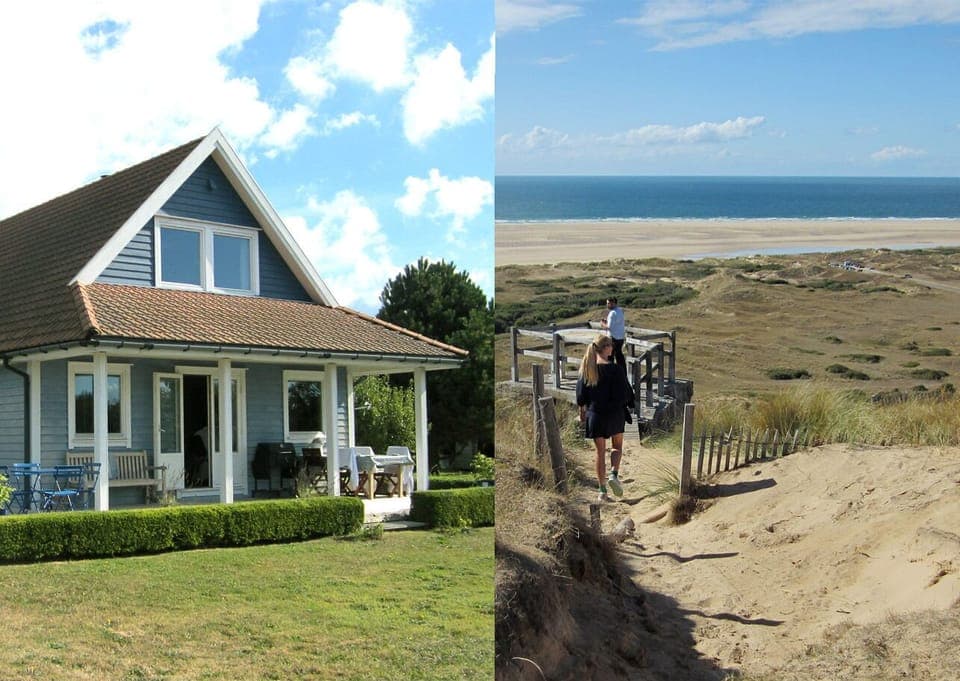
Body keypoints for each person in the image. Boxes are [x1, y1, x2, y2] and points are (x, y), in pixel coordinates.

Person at [576, 333, 634, 502]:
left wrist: (582, 411)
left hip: (596, 415)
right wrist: (628, 403)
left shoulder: (587, 369)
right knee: (617, 447)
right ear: (606, 348)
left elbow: (580, 396)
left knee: (599, 453)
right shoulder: (615, 369)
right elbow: (626, 393)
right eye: (610, 345)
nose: (613, 348)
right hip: (615, 414)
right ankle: (613, 474)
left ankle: (602, 491)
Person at [600, 296, 626, 371]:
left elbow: (609, 327)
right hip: (620, 337)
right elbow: (616, 324)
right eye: (607, 303)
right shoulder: (620, 310)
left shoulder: (612, 313)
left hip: (613, 338)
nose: (608, 305)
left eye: (609, 303)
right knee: (619, 356)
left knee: (610, 357)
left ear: (614, 303)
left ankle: (611, 375)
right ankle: (623, 374)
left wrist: (602, 324)